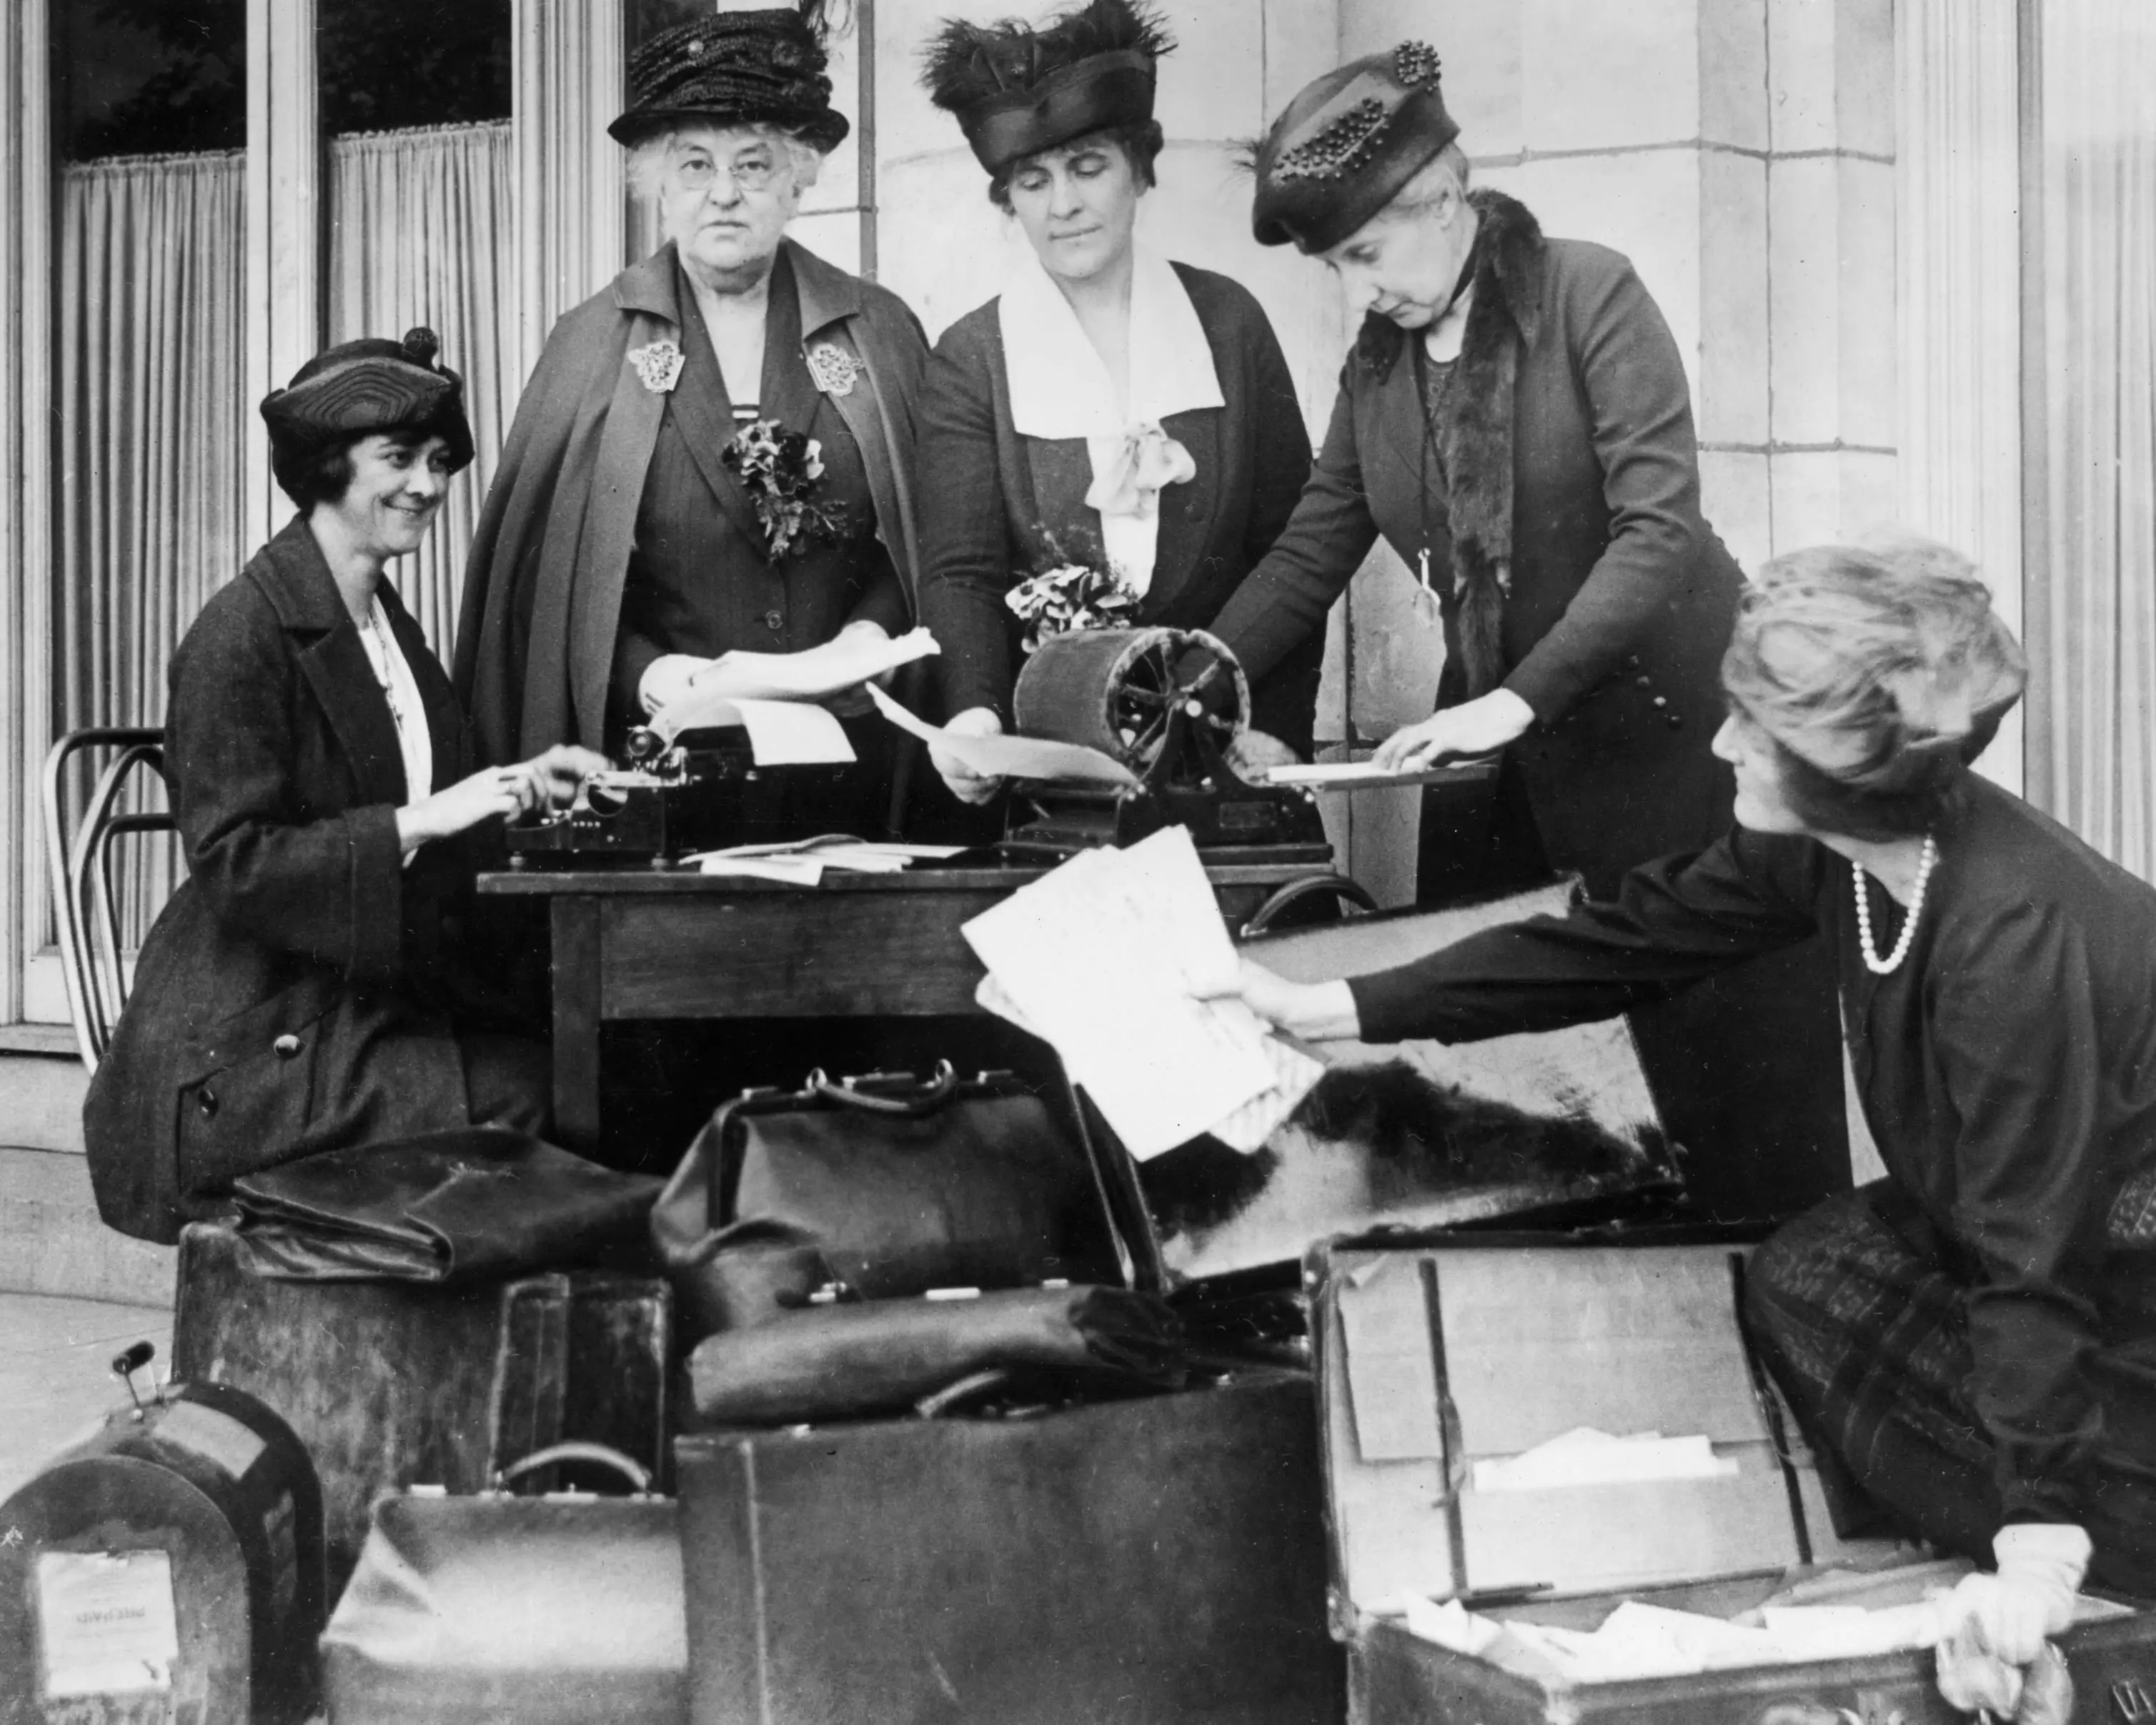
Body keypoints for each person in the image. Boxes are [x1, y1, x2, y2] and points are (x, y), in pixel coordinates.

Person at [1220, 540, 2156, 1711]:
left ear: (1839, 770)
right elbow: (1624, 933)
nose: (1717, 746)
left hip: (2121, 1271)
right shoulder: (1847, 849)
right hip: (2046, 1243)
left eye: (1750, 733)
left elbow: (2032, 1264)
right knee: (1807, 1271)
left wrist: (2035, 1554)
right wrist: (1334, 1002)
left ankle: (2092, 1557)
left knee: (2021, 1436)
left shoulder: (2005, 940)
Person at [1204, 42, 1847, 1218]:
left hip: (1685, 764)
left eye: (1364, 252)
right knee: (1530, 1134)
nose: (1358, 288)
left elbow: (1659, 532)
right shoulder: (1378, 364)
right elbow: (1311, 546)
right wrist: (1187, 678)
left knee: (1722, 1131)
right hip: (1512, 784)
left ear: (1443, 201)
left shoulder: (1588, 291)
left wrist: (1511, 698)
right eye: (1337, 264)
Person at [83, 330, 609, 1245]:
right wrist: (426, 816)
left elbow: (424, 801)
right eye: (398, 459)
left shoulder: (383, 622)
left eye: (441, 461)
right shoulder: (242, 632)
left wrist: (519, 785)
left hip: (349, 1006)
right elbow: (237, 866)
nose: (429, 485)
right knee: (543, 1097)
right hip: (247, 1044)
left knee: (592, 1064)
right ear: (328, 465)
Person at [454, 1, 929, 834]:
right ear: (653, 183)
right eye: (694, 165)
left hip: (856, 766)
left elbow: (933, 538)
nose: (723, 195)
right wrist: (649, 674)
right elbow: (550, 579)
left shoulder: (878, 327)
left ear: (798, 177)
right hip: (666, 778)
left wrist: (869, 635)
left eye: (752, 165)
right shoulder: (590, 341)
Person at [912, 0, 1320, 807]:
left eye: (1088, 167)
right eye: (1033, 181)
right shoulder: (972, 356)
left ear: (1139, 169)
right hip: (1052, 771)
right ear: (1010, 203)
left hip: (1225, 756)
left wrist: (1268, 725)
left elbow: (1292, 551)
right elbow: (959, 570)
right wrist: (976, 717)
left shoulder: (1228, 322)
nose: (1062, 204)